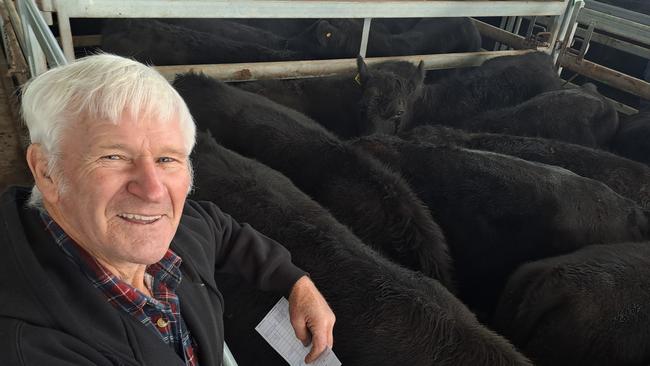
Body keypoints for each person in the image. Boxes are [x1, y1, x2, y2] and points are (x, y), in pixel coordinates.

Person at [0, 54, 335, 365]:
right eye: (113, 156)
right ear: (46, 171)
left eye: (166, 159)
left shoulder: (173, 231)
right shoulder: (32, 346)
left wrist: (296, 283)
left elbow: (222, 230)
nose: (153, 190)